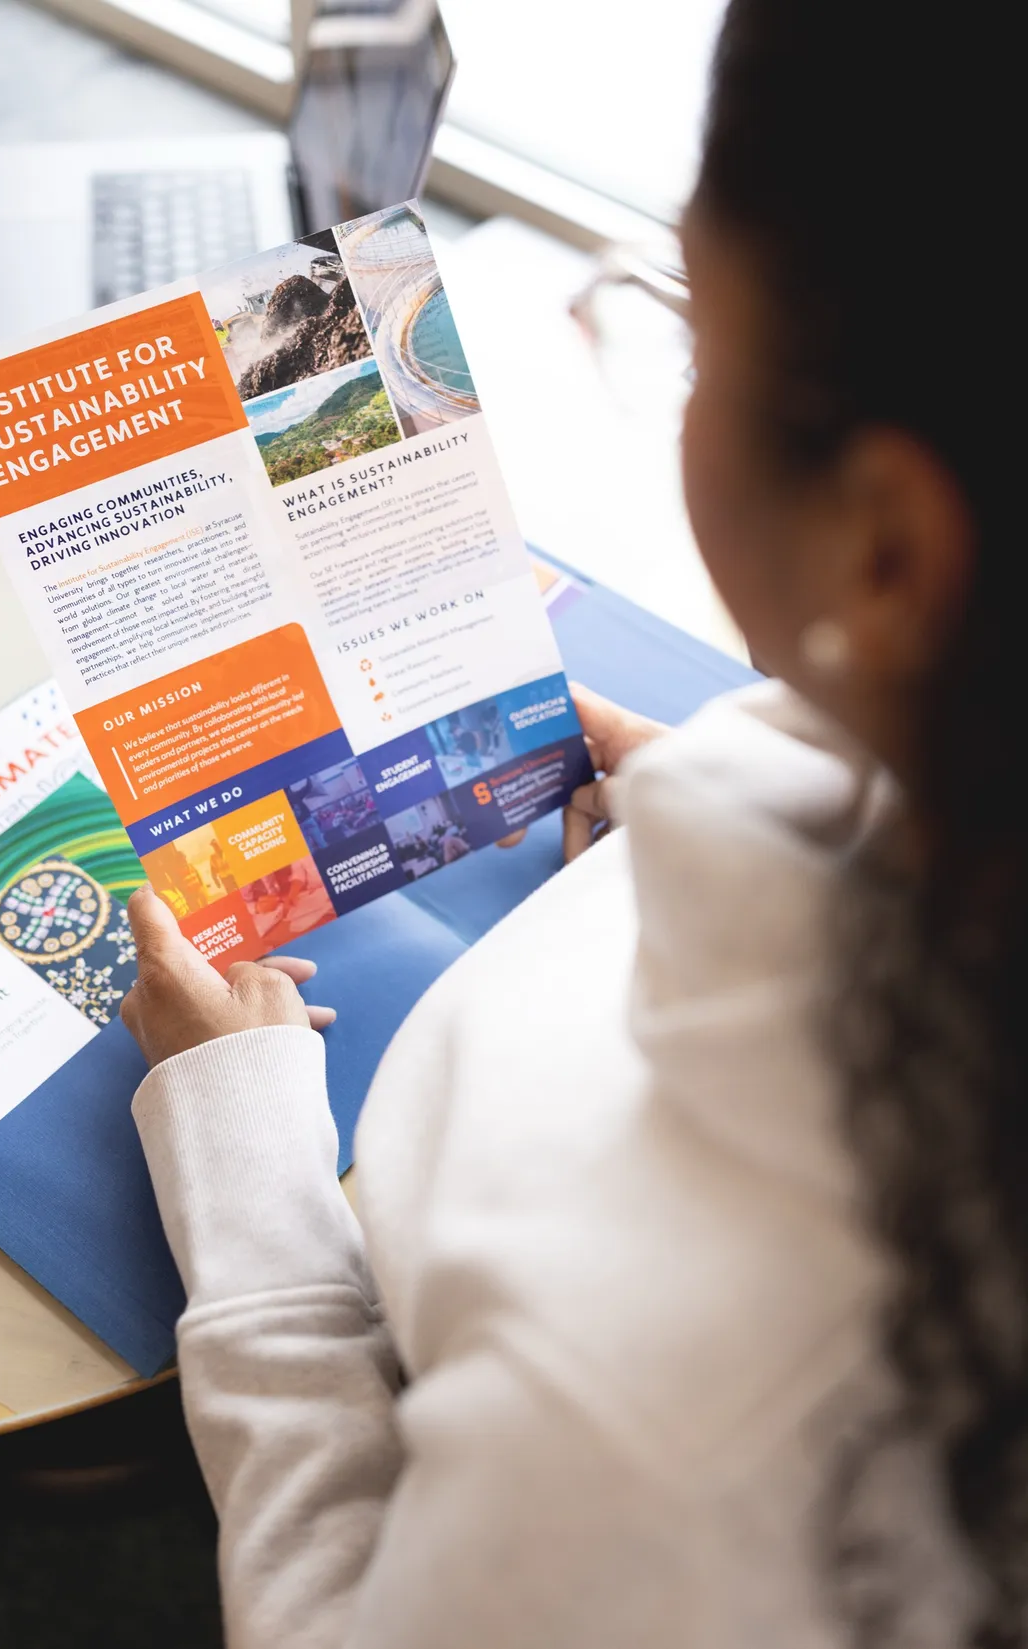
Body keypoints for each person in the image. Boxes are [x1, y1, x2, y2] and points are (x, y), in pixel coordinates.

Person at [120, 1, 1026, 1642]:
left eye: (685, 329)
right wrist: (740, 794)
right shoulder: (926, 789)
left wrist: (249, 1177)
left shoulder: (660, 1441)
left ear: (889, 550)